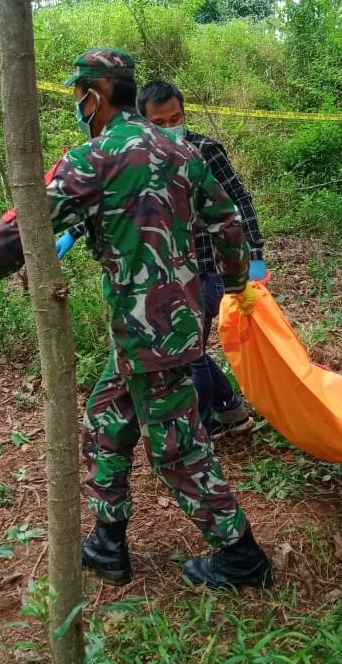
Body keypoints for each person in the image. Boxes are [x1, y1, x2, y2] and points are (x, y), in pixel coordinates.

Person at [0, 48, 273, 590]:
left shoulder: (94, 158)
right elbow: (228, 222)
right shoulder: (182, 149)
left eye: (79, 95)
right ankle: (108, 542)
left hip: (149, 334)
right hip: (162, 324)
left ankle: (242, 556)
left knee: (177, 449)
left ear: (94, 95)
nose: (78, 105)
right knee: (106, 420)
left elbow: (19, 227)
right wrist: (239, 280)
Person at [57, 79, 265, 438]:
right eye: (161, 122)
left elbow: (237, 202)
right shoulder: (136, 156)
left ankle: (196, 434)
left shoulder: (203, 150)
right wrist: (73, 232)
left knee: (189, 355)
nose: (171, 127)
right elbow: (118, 204)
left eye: (177, 118)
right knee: (192, 349)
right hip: (162, 277)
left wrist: (254, 255)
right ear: (143, 119)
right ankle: (230, 410)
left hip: (205, 269)